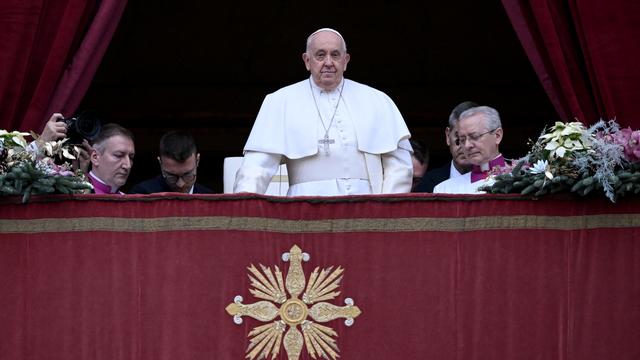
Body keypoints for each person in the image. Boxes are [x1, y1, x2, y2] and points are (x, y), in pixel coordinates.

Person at [233, 28, 413, 196]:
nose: (328, 62)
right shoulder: (280, 101)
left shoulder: (377, 100)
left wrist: (386, 211)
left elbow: (399, 167)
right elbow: (256, 169)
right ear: (307, 60)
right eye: (320, 55)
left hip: (364, 211)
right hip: (302, 211)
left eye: (335, 55)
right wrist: (243, 211)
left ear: (346, 60)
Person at [433, 106, 505, 194]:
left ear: (497, 136)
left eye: (475, 137)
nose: (467, 145)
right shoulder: (444, 190)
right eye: (462, 140)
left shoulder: (523, 180)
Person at [415, 101, 477, 193]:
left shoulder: (497, 181)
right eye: (459, 136)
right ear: (448, 136)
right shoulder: (427, 184)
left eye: (473, 136)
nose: (466, 145)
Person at [129, 130, 212, 194]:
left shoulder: (210, 199)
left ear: (197, 160)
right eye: (172, 176)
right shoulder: (142, 196)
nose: (180, 184)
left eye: (187, 175)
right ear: (160, 163)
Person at [87, 123, 135, 194]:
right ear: (95, 157)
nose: (128, 166)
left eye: (131, 157)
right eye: (118, 155)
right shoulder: (73, 193)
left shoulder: (127, 200)